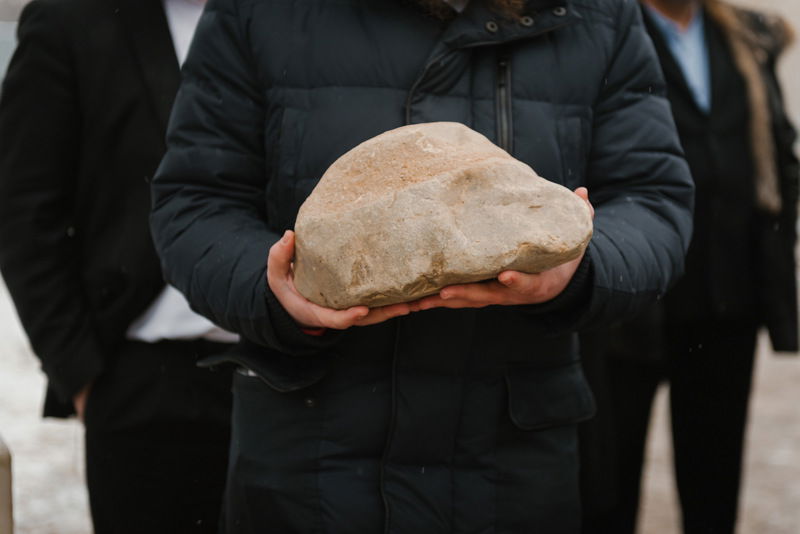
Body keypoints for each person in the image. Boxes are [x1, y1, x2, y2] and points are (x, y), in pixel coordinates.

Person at [149, 0, 695, 531]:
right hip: (311, 466)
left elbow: (653, 200)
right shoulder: (259, 10)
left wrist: (578, 271)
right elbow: (195, 204)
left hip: (510, 469)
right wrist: (273, 292)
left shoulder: (597, 12)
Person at [0, 0, 236, 532]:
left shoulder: (293, 16)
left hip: (285, 379)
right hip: (138, 387)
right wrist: (81, 374)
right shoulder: (69, 18)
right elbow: (22, 210)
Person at [580, 1, 799, 533]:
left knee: (714, 484)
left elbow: (776, 145)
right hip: (626, 306)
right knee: (607, 490)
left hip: (726, 299)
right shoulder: (601, 33)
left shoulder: (747, 36)